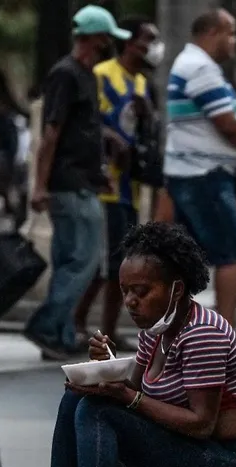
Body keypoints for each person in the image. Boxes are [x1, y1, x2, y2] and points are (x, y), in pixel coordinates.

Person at [7, 222, 236, 467]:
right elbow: (134, 389)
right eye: (126, 291)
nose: (130, 301)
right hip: (189, 449)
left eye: (141, 291)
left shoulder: (202, 333)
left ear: (176, 288)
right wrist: (103, 368)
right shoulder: (154, 331)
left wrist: (126, 396)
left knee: (99, 412)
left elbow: (200, 423)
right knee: (76, 398)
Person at [24, 5, 130, 360]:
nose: (109, 45)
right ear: (95, 38)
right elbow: (50, 134)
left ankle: (60, 333)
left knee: (71, 260)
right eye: (106, 38)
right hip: (69, 185)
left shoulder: (84, 76)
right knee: (84, 262)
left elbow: (79, 131)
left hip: (83, 181)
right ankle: (46, 324)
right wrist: (39, 186)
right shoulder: (65, 74)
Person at [164, 8, 236, 327]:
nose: (234, 41)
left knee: (182, 258)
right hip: (204, 175)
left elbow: (211, 122)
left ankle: (179, 327)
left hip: (190, 172)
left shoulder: (191, 64)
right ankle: (225, 333)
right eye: (231, 32)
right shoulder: (201, 68)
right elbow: (224, 123)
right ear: (212, 33)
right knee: (233, 253)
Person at [73, 17, 163, 348]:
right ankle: (78, 321)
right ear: (129, 41)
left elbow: (149, 132)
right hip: (104, 184)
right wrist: (109, 135)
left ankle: (108, 331)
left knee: (121, 264)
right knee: (102, 264)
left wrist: (148, 113)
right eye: (148, 39)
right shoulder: (102, 75)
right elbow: (85, 119)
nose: (154, 48)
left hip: (130, 187)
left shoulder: (141, 83)